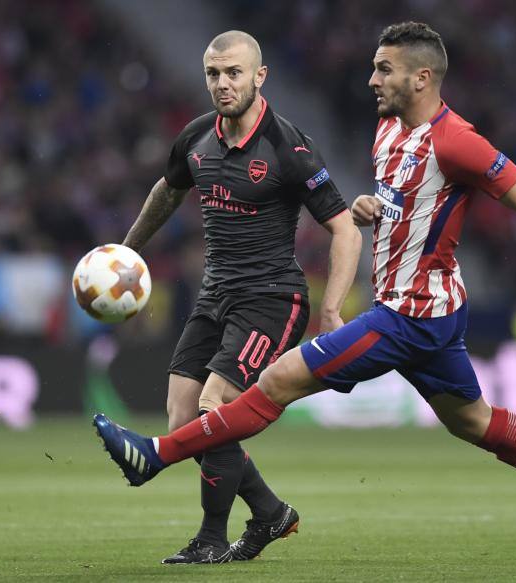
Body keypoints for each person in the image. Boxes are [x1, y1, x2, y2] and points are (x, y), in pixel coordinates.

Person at [94, 22, 516, 563]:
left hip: (411, 315)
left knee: (277, 382)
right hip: (421, 312)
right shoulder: (389, 129)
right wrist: (374, 207)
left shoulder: (456, 139)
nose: (371, 79)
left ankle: (156, 455)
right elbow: (409, 206)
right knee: (476, 422)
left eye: (384, 69)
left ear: (422, 78)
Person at [110, 30, 361, 564]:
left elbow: (346, 229)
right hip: (215, 293)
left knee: (214, 406)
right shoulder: (196, 136)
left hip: (272, 298)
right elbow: (167, 191)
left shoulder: (289, 147)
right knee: (184, 422)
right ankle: (270, 513)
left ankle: (211, 539)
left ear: (259, 77)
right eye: (213, 74)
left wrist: (333, 308)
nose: (222, 85)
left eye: (234, 74)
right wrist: (125, 253)